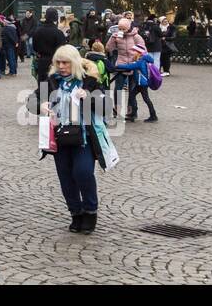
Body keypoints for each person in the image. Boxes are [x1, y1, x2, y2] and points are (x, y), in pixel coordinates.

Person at [41, 44, 103, 234]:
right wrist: (41, 104)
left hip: (83, 137)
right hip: (59, 138)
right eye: (58, 62)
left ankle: (90, 211)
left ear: (74, 63)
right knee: (66, 178)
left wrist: (89, 97)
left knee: (83, 172)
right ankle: (76, 213)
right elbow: (33, 100)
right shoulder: (51, 81)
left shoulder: (89, 81)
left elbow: (105, 105)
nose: (61, 66)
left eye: (65, 62)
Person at [105, 17, 146, 120]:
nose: (121, 31)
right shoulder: (117, 36)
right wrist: (112, 39)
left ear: (128, 27)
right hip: (121, 64)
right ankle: (117, 110)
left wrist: (137, 58)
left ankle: (132, 111)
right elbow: (108, 49)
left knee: (132, 89)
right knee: (118, 87)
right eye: (120, 28)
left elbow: (143, 51)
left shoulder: (136, 36)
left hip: (133, 65)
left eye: (123, 28)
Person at [115, 33, 158, 122]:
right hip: (143, 82)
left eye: (135, 51)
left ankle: (151, 115)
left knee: (143, 98)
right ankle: (137, 113)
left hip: (141, 83)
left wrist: (118, 66)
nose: (133, 53)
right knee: (134, 96)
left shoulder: (140, 61)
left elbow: (129, 67)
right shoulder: (145, 60)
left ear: (139, 53)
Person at [31, 8, 68, 82]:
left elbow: (34, 47)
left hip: (42, 61)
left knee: (43, 84)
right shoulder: (58, 33)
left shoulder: (38, 31)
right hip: (56, 62)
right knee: (55, 83)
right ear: (55, 18)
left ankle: (44, 93)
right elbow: (63, 49)